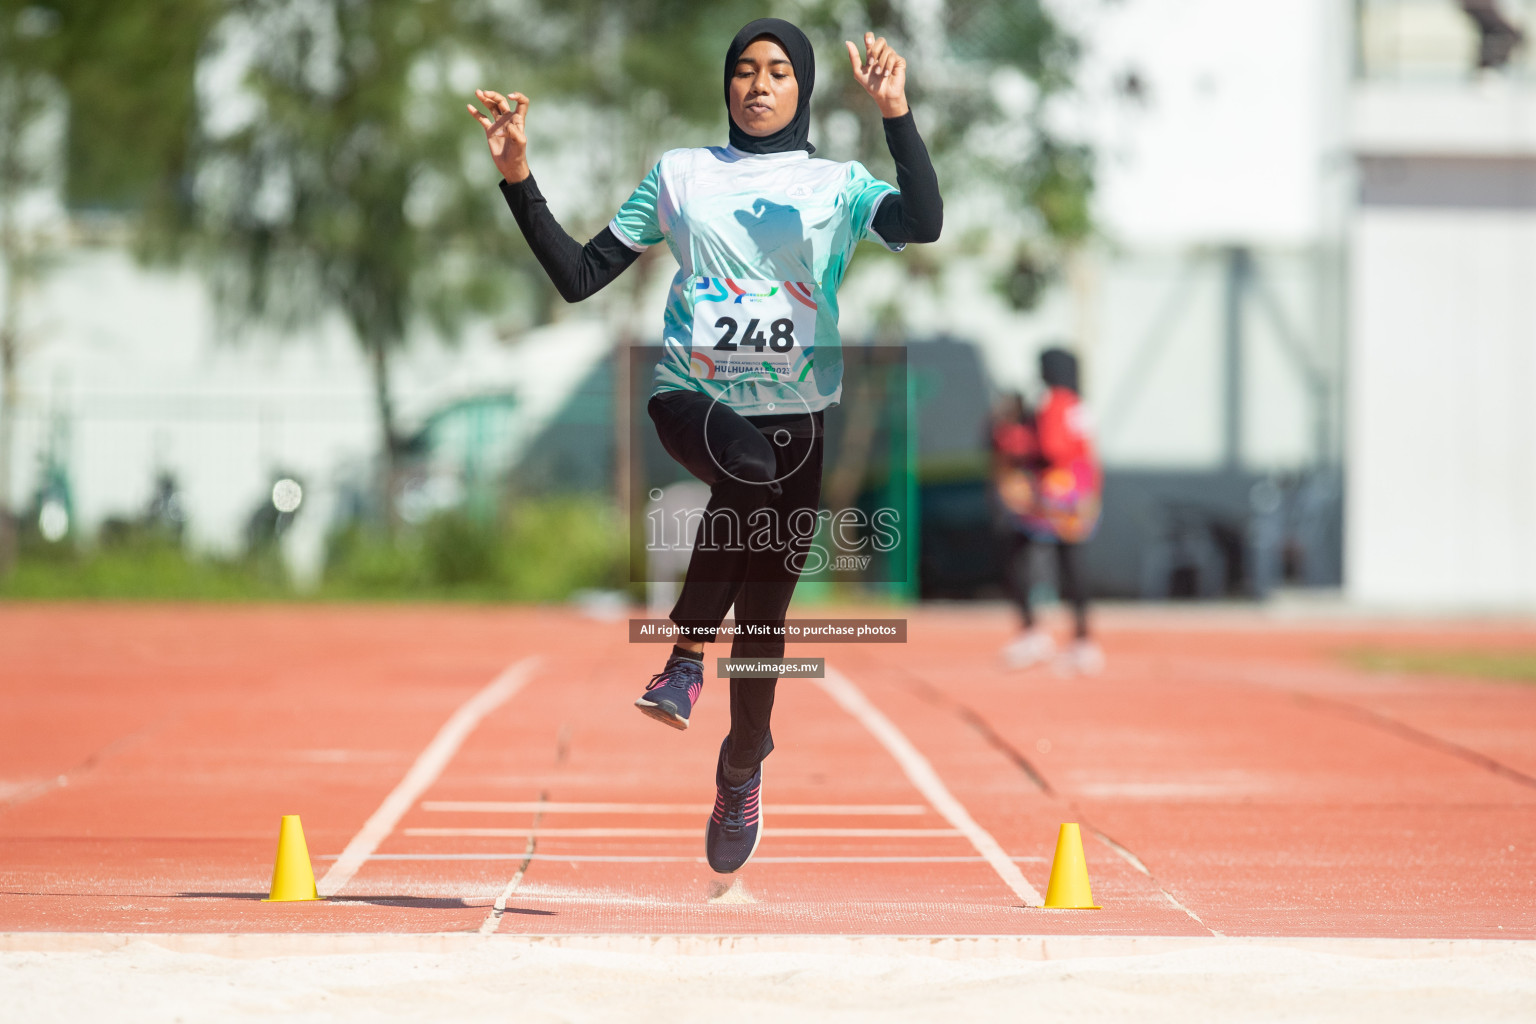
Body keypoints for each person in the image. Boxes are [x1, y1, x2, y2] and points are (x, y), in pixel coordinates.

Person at [469, 19, 941, 873]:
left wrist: (897, 115)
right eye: (743, 72)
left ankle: (741, 765)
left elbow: (927, 221)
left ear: (800, 89)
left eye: (777, 73)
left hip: (799, 419)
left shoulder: (840, 184)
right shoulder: (681, 175)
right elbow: (579, 276)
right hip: (691, 397)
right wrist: (517, 177)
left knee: (764, 628)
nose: (758, 86)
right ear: (726, 88)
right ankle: (685, 657)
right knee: (746, 471)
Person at [992, 348, 1104, 675]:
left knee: (1019, 555)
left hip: (1052, 491)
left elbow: (1051, 447)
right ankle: (1083, 642)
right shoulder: (1081, 406)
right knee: (1072, 563)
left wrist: (1012, 439)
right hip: (1079, 491)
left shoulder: (1051, 402)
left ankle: (1032, 633)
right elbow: (1089, 453)